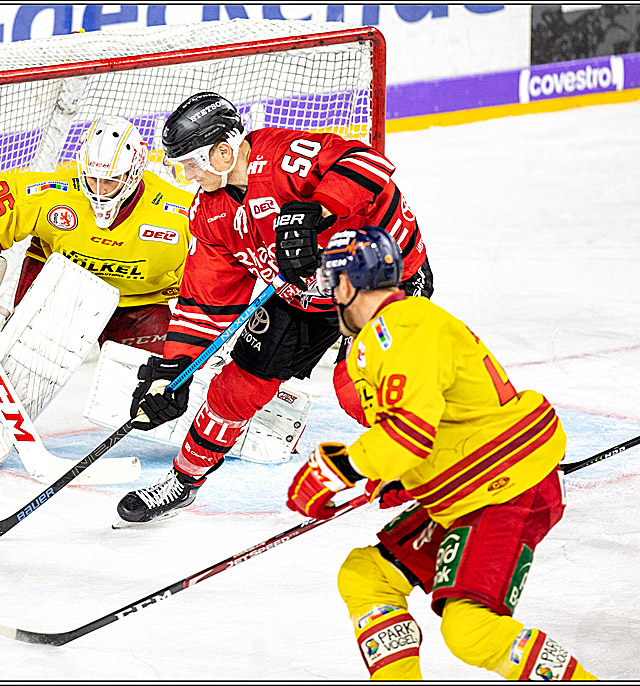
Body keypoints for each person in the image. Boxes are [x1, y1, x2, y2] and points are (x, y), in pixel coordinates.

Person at [285, 227, 596, 680]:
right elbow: (428, 432)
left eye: (332, 286)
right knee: (366, 574)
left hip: (505, 489)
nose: (331, 298)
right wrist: (388, 479)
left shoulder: (407, 328)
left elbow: (410, 431)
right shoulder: (386, 335)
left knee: (468, 629)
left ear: (348, 284)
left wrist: (345, 469)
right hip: (465, 490)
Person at [116, 92, 434, 524]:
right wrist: (176, 371)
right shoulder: (209, 213)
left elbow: (368, 163)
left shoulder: (286, 158)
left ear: (224, 152)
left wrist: (317, 210)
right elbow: (205, 300)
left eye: (190, 163)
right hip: (299, 295)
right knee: (237, 387)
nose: (187, 175)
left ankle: (450, 456)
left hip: (378, 280)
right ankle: (184, 481)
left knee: (358, 389)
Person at [0, 115, 193, 465]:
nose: (100, 190)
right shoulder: (56, 191)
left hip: (144, 302)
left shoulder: (178, 212)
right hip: (61, 288)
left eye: (112, 180)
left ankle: (221, 427)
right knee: (22, 365)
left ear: (134, 172)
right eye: (93, 178)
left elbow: (221, 267)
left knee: (162, 388)